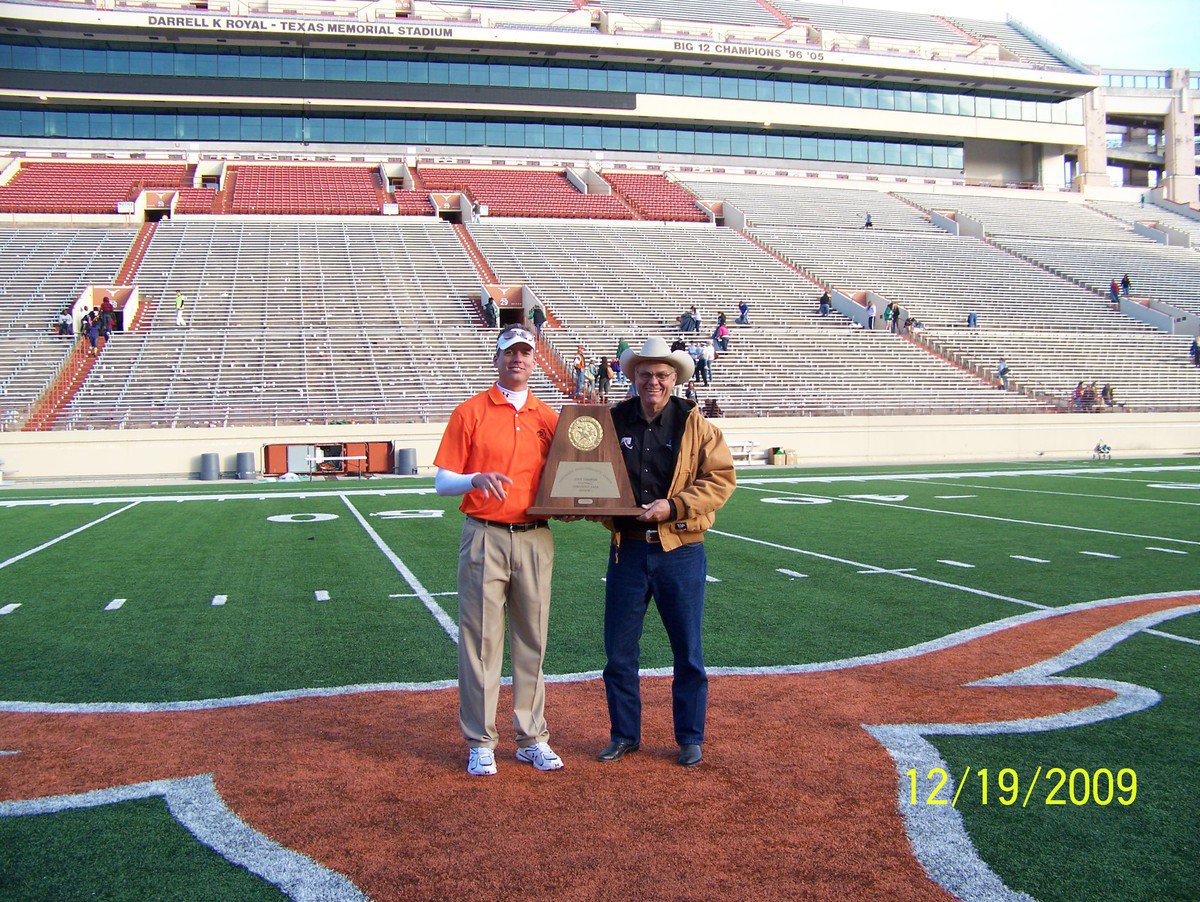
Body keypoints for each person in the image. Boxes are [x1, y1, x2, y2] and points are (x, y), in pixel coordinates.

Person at [597, 337, 736, 768]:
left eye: (661, 375)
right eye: (645, 374)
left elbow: (720, 482)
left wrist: (673, 507)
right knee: (619, 653)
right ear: (632, 376)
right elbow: (586, 474)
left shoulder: (698, 424)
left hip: (681, 550)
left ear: (674, 378)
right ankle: (624, 734)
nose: (652, 381)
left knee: (687, 651)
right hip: (628, 551)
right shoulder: (610, 421)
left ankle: (690, 736)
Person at [433, 325, 564, 777]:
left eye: (526, 353)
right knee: (481, 643)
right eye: (511, 353)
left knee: (532, 640)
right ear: (497, 359)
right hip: (484, 534)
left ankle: (532, 737)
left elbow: (568, 479)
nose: (519, 360)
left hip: (534, 536)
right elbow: (441, 481)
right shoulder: (469, 412)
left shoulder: (549, 417)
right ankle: (481, 740)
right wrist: (473, 479)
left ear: (535, 361)